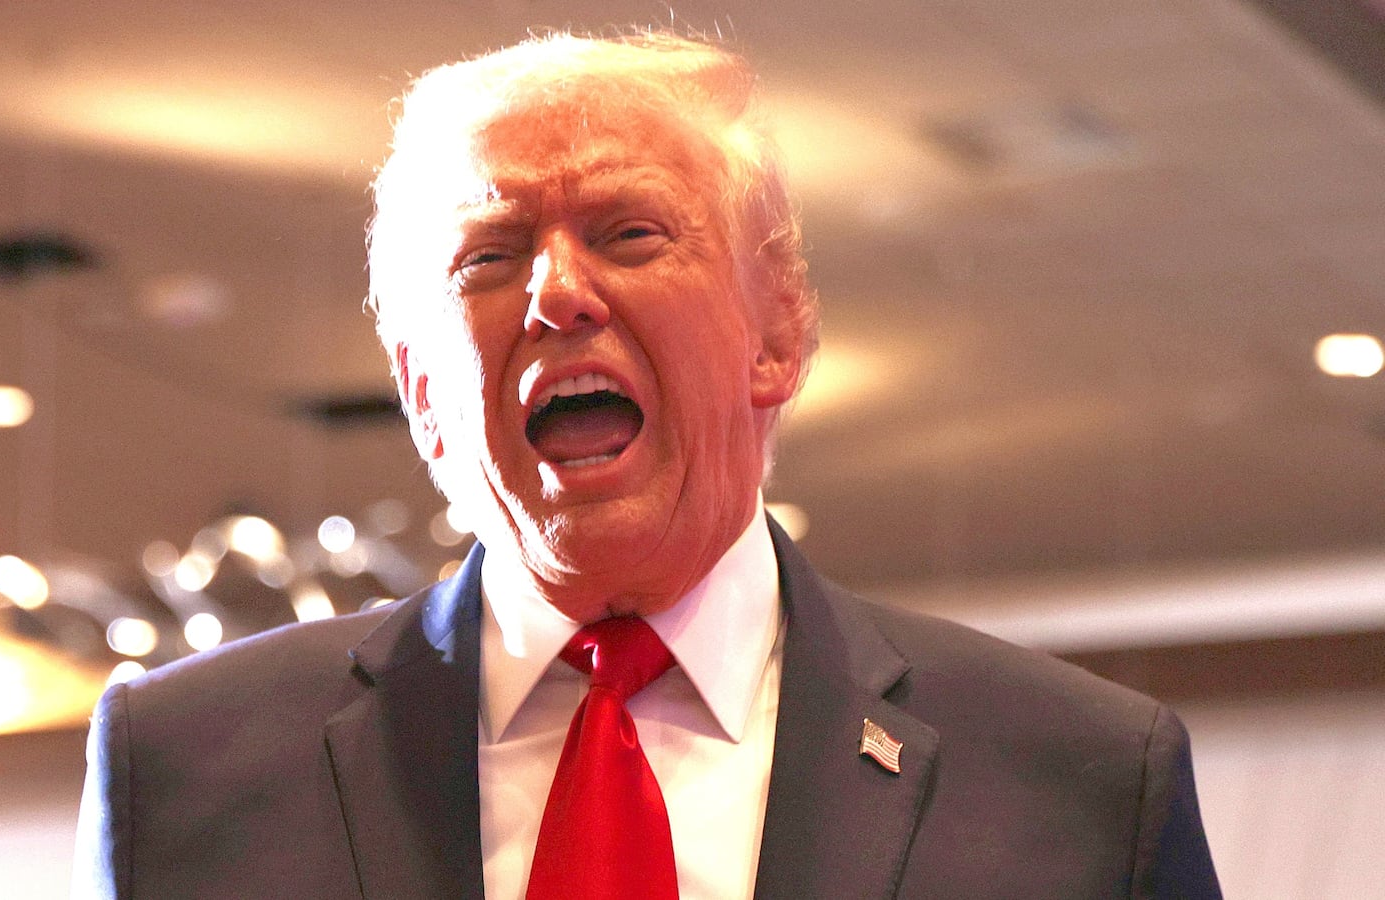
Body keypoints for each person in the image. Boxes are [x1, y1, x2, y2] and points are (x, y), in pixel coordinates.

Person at [73, 32, 1221, 899]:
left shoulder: (1081, 781)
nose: (556, 292)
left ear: (777, 334)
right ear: (424, 392)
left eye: (630, 233)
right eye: (489, 256)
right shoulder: (184, 768)